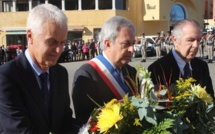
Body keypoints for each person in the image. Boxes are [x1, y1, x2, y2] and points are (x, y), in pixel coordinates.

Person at [0, 4, 79, 133]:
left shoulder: (60, 73)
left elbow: (65, 121)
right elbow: (19, 130)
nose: (59, 50)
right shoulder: (6, 77)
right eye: (51, 42)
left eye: (62, 42)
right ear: (30, 36)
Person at [72, 16, 138, 125]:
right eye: (126, 44)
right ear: (108, 44)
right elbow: (87, 124)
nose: (132, 49)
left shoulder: (131, 72)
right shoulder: (87, 75)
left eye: (133, 43)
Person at [148, 19, 214, 99]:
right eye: (191, 40)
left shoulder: (202, 66)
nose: (196, 45)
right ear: (175, 40)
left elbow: (210, 99)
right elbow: (156, 105)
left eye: (198, 40)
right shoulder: (157, 69)